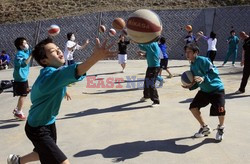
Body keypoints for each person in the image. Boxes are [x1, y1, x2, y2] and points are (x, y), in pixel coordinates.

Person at [7, 37, 117, 164]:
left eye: (58, 49)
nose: (59, 51)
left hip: (48, 122)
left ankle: (17, 161)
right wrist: (95, 57)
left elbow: (59, 80)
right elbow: (76, 71)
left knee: (40, 153)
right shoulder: (49, 76)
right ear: (44, 60)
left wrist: (64, 90)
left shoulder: (52, 73)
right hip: (37, 128)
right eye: (53, 51)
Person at [182, 43, 226, 141]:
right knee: (193, 107)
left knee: (221, 110)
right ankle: (204, 128)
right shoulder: (192, 66)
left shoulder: (204, 60)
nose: (187, 54)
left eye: (189, 52)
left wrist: (203, 77)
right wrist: (190, 85)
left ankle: (221, 128)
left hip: (216, 89)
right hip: (205, 91)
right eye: (186, 52)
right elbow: (197, 81)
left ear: (196, 52)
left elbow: (214, 72)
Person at [12, 37, 32, 120]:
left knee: (24, 93)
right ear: (20, 46)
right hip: (20, 77)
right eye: (24, 43)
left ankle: (17, 109)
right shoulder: (19, 54)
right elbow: (23, 64)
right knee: (23, 95)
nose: (26, 44)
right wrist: (31, 55)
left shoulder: (24, 52)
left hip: (23, 76)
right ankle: (18, 112)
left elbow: (31, 52)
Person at [138, 41, 161, 107]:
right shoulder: (151, 45)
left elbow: (142, 46)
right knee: (146, 82)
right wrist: (142, 55)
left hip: (155, 67)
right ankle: (146, 96)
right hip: (150, 67)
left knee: (151, 83)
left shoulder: (153, 44)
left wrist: (136, 40)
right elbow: (148, 53)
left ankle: (156, 101)